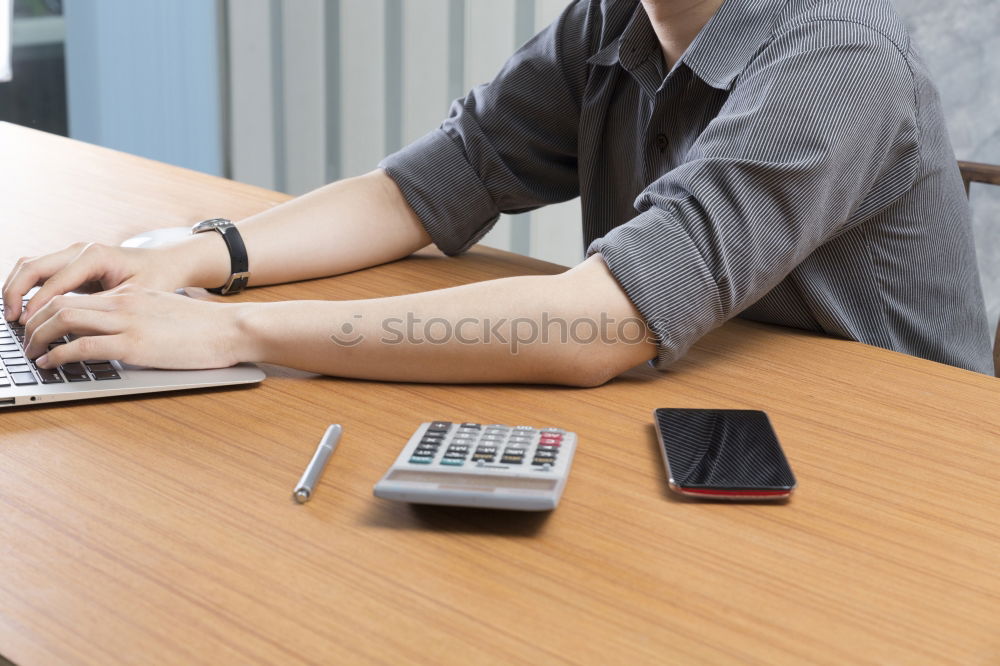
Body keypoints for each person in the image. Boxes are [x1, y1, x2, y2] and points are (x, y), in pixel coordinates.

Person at [3, 0, 994, 385]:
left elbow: (599, 323)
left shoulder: (837, 58)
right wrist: (191, 255)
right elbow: (425, 187)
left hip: (890, 475)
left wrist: (235, 334)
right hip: (719, 410)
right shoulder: (615, 18)